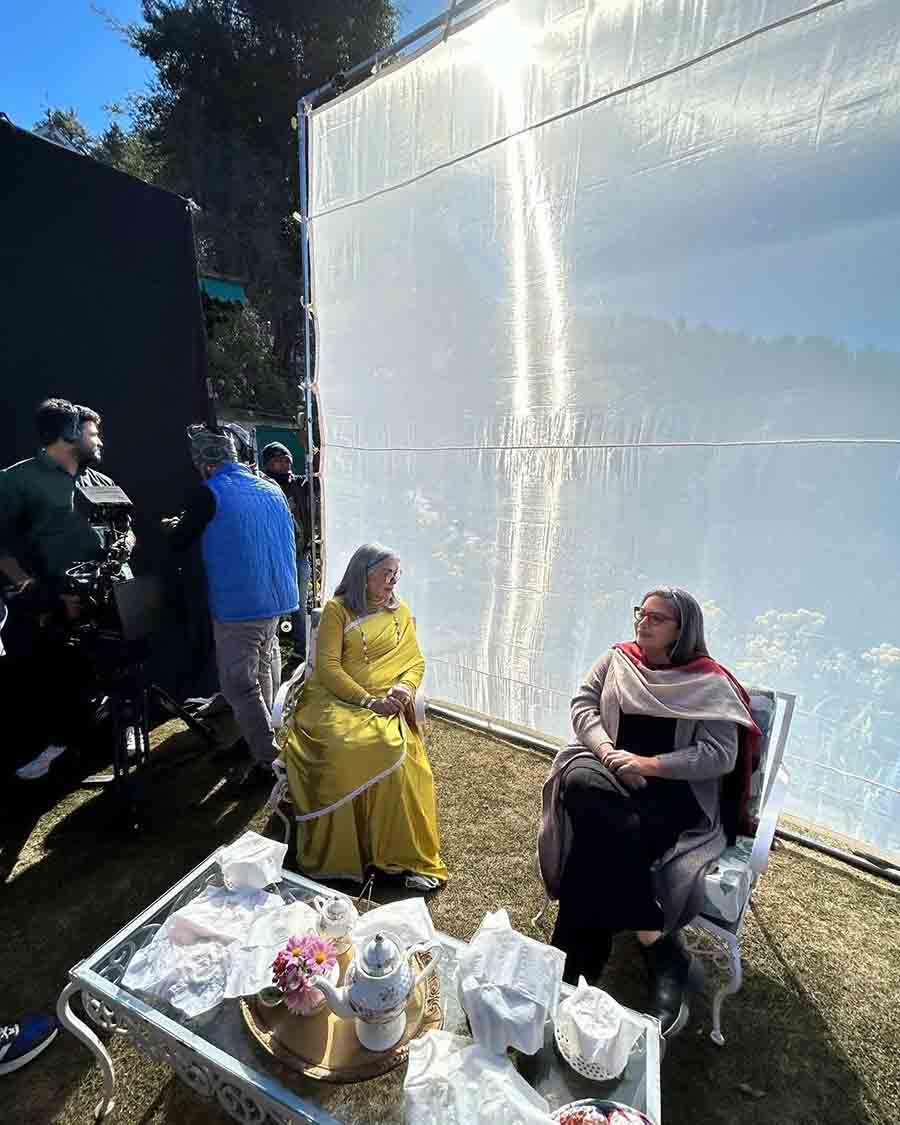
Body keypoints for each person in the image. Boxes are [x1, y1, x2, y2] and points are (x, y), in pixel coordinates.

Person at [537, 587, 760, 1037]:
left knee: (598, 842)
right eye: (642, 613)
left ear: (682, 630)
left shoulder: (709, 681)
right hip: (606, 769)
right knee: (578, 782)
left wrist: (649, 765)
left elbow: (720, 756)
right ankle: (656, 940)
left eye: (658, 618)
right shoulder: (617, 659)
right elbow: (582, 705)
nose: (644, 622)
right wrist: (608, 751)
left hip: (669, 792)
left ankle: (570, 970)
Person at [280, 543, 448, 890]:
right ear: (363, 574)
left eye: (395, 574)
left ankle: (396, 856)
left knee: (392, 751)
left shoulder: (399, 612)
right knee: (345, 747)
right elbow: (327, 669)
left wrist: (404, 687)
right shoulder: (336, 611)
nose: (393, 582)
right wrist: (368, 701)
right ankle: (340, 853)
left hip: (387, 700)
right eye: (386, 574)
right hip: (334, 701)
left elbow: (415, 661)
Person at [164, 426, 298, 791]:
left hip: (241, 603)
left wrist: (173, 526)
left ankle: (267, 760)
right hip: (275, 598)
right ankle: (258, 738)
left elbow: (180, 540)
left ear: (205, 465)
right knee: (265, 669)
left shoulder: (209, 492)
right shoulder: (270, 487)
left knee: (240, 685)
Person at [0, 398, 116, 778]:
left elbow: (125, 527)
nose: (99, 441)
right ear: (68, 434)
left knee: (113, 673)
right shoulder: (16, 481)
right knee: (55, 682)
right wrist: (37, 592)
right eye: (92, 433)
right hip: (50, 608)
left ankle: (118, 732)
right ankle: (55, 747)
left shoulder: (99, 481)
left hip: (105, 600)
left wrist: (123, 548)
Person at [259, 442, 311, 661]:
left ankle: (302, 650)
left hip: (299, 555)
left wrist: (311, 447)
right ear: (269, 463)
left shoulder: (298, 484)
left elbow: (318, 479)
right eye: (278, 461)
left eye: (287, 460)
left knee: (300, 605)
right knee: (273, 605)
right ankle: (272, 649)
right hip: (274, 556)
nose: (284, 465)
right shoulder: (261, 486)